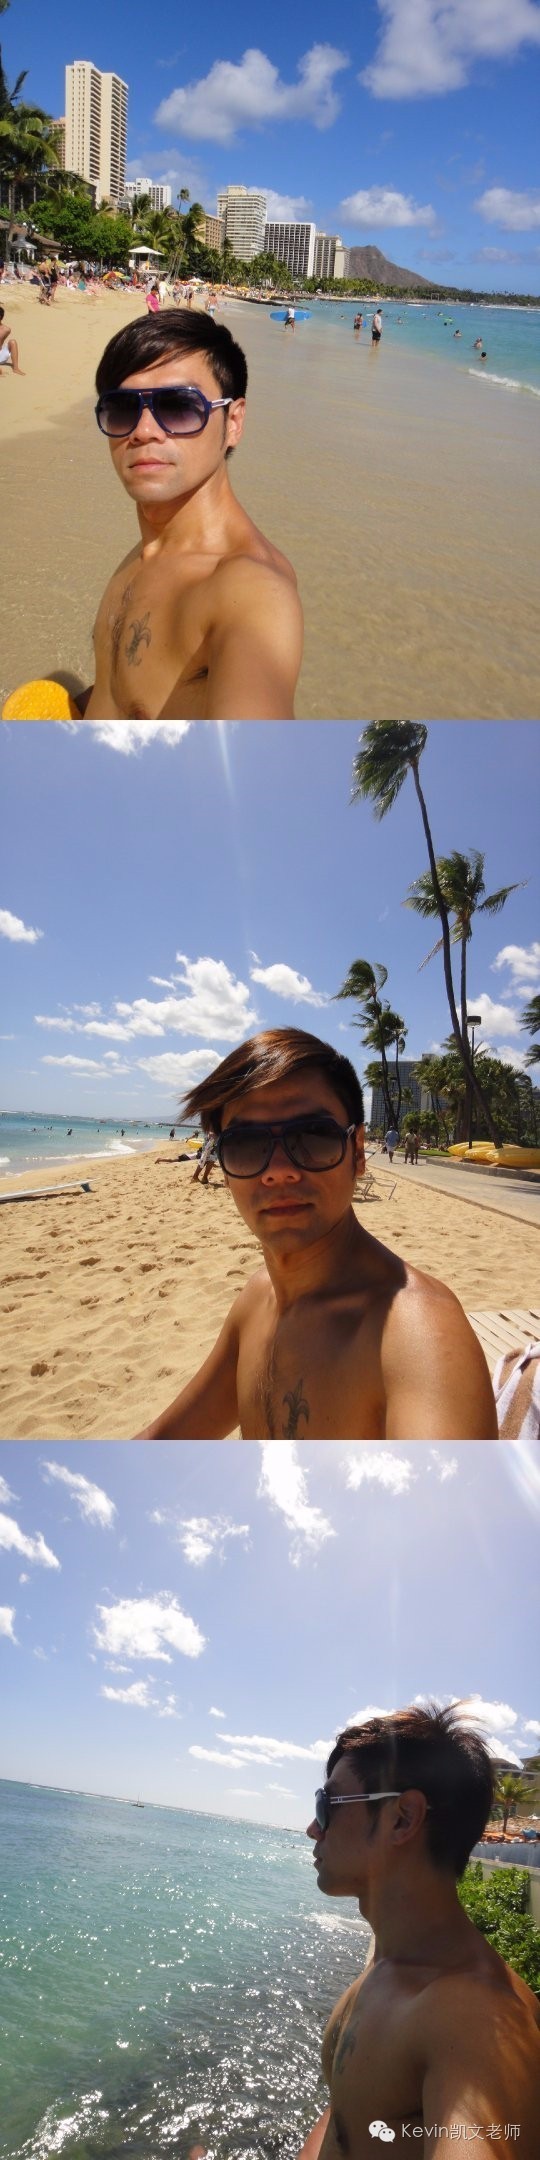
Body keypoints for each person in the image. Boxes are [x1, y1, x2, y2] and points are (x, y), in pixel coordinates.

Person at [136, 1026, 497, 1439]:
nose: (278, 1171)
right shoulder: (257, 1301)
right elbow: (164, 1441)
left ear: (357, 1152)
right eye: (246, 1144)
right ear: (223, 1163)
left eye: (313, 1137)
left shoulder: (416, 1332)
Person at [295, 1704, 540, 2158]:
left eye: (326, 1805)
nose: (313, 1829)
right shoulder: (391, 1959)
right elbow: (346, 2116)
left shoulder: (472, 2017)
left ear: (403, 1818)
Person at [83, 308, 302, 719]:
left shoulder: (251, 591)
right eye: (122, 408)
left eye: (178, 407)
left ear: (233, 422)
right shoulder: (150, 550)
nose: (143, 431)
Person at [0, 306, 24, 376]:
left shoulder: (6, 329)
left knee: (13, 342)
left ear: (1, 317)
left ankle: (16, 368)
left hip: (1, 356)